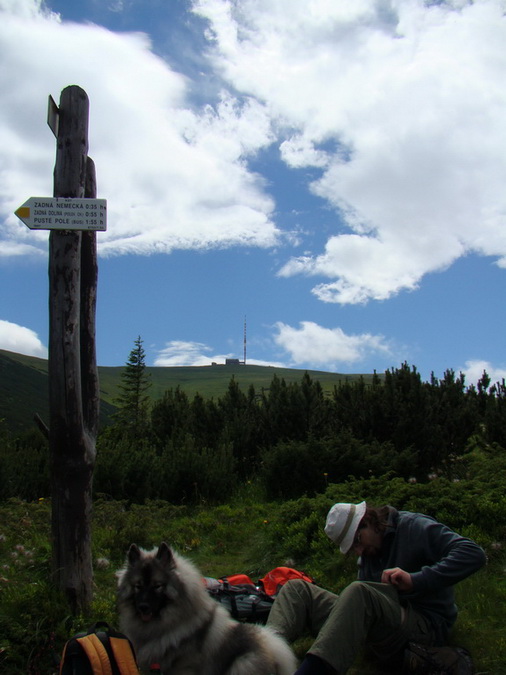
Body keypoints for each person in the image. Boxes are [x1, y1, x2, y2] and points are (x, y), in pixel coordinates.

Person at [266, 501, 486, 675]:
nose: (359, 552)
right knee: (296, 588)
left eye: (358, 541)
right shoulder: (369, 554)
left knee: (358, 591)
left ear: (368, 520)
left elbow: (473, 554)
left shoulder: (413, 527)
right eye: (353, 548)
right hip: (385, 623)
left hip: (425, 624)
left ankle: (312, 671)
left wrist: (416, 579)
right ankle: (264, 657)